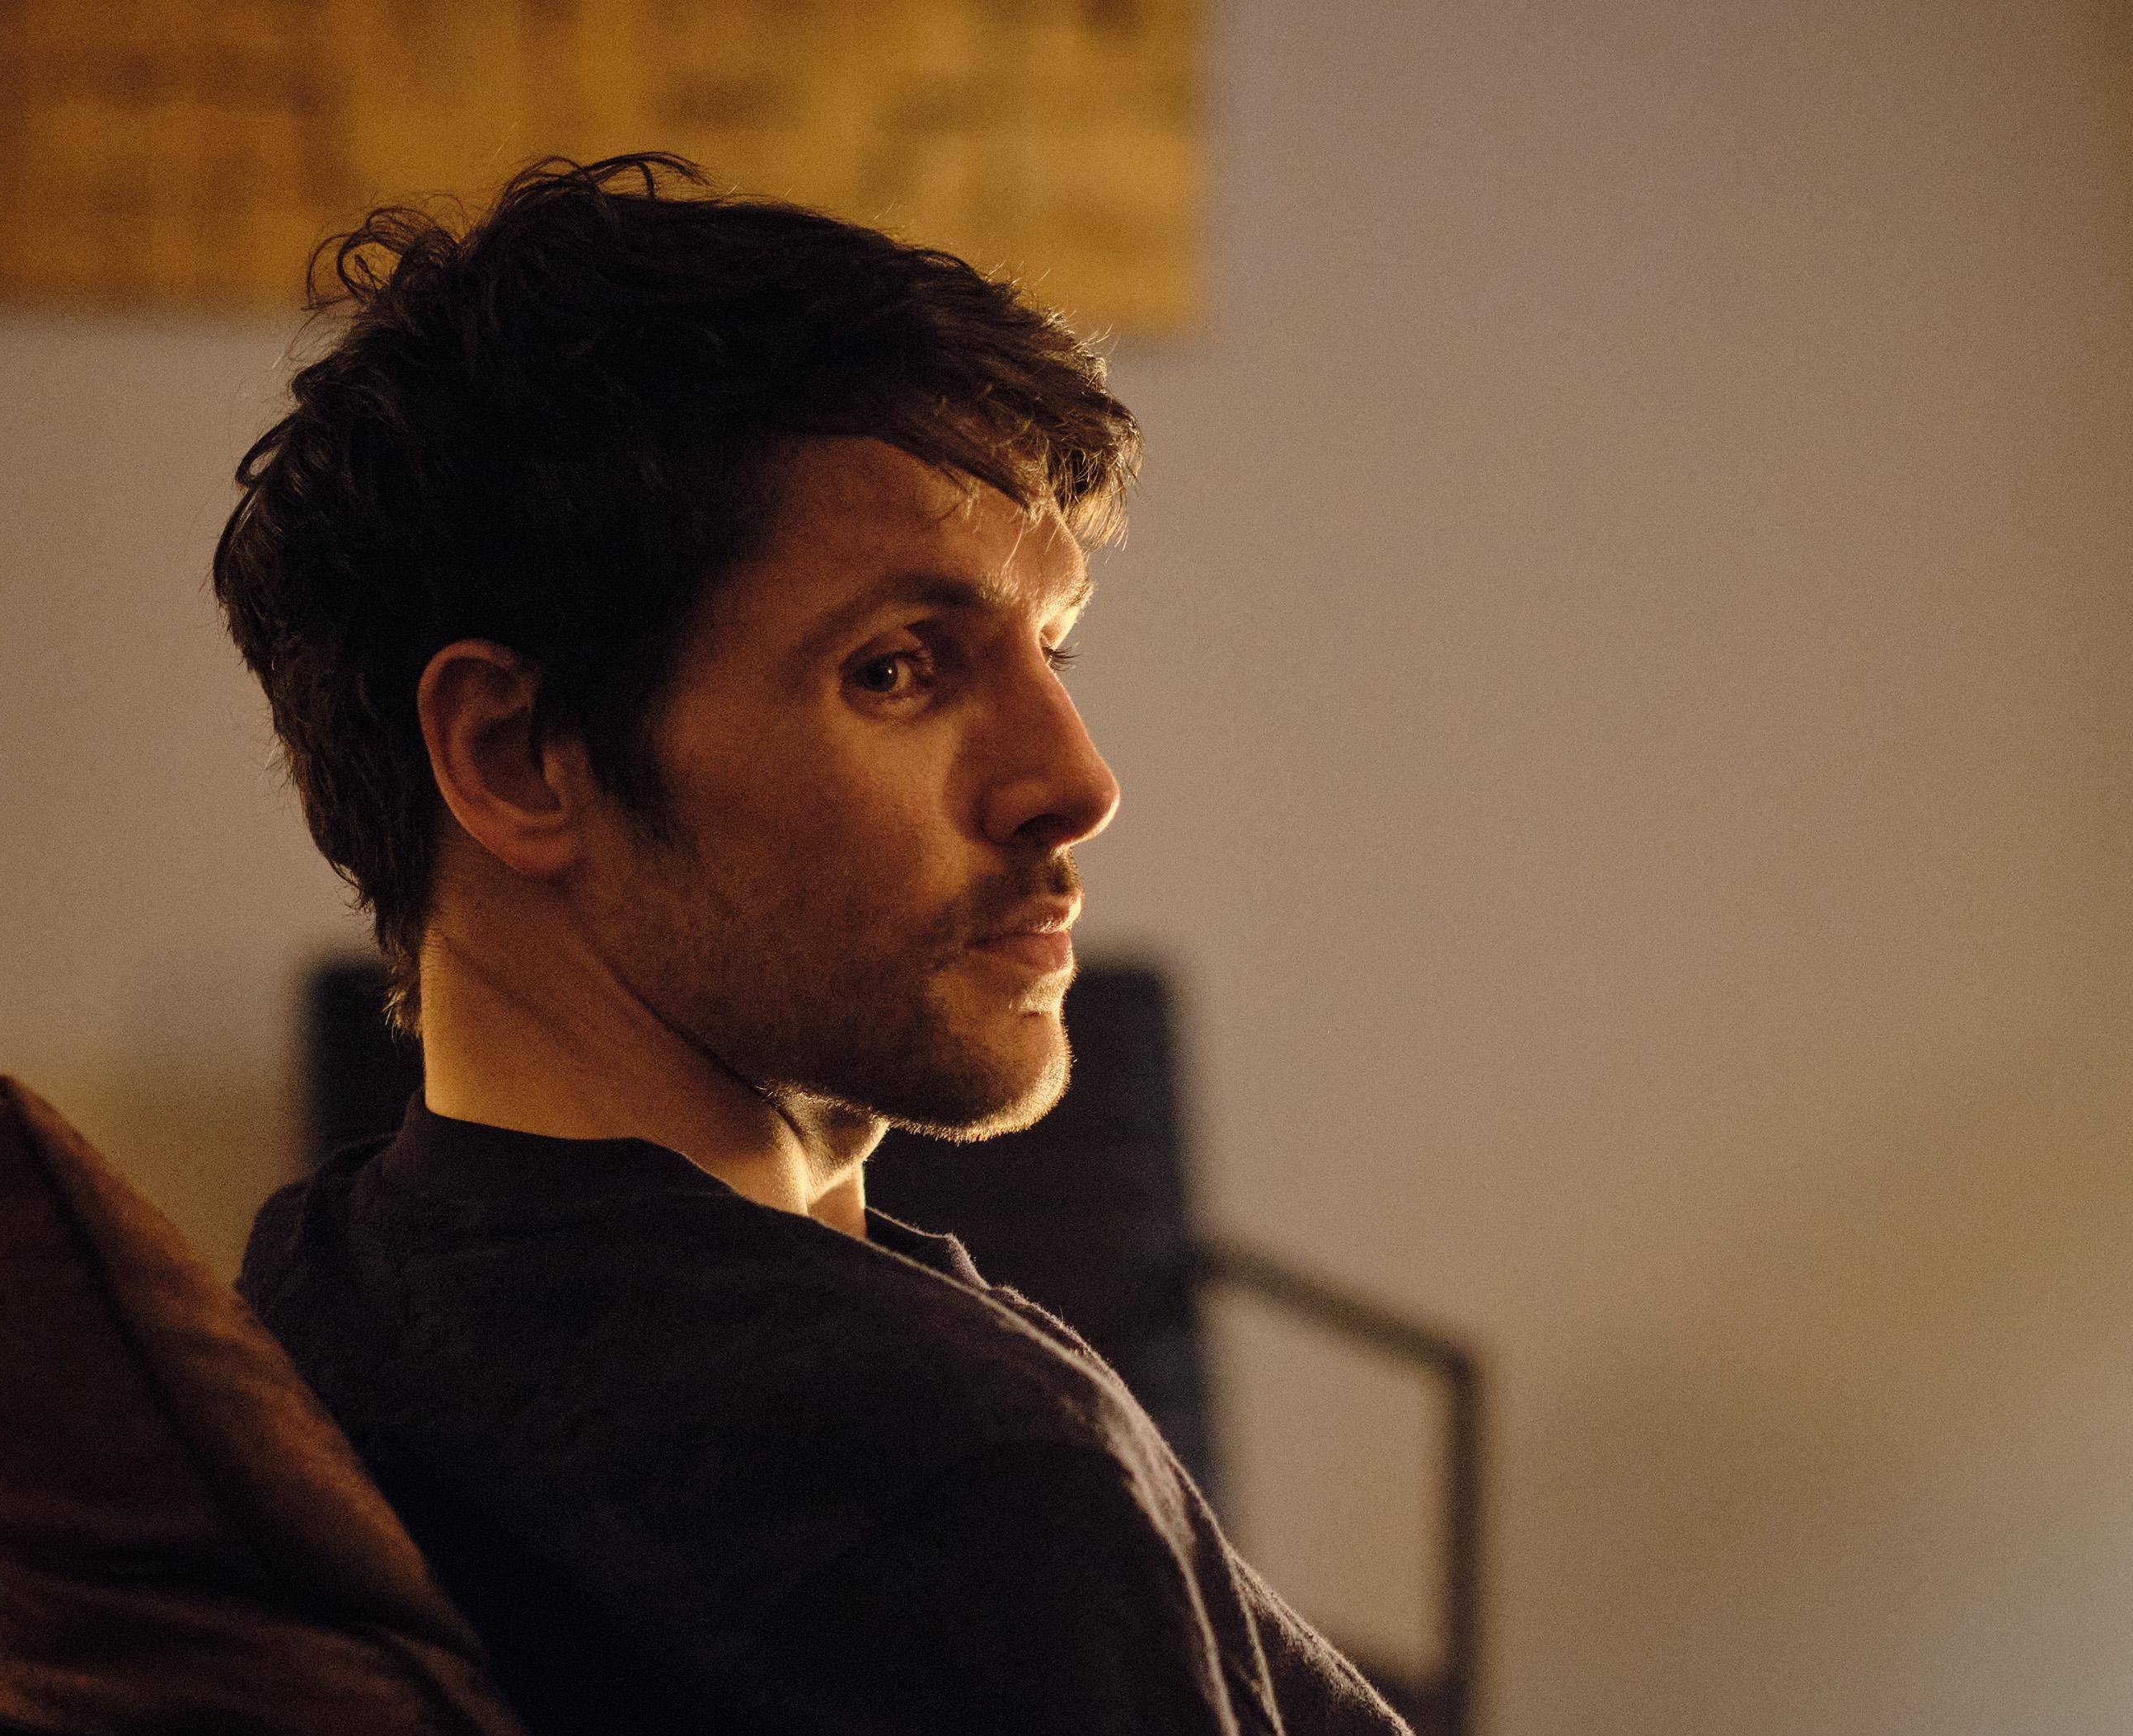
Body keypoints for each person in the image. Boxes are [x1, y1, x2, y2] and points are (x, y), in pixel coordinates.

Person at [213, 154, 1409, 1735]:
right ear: (516, 757)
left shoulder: (314, 1296)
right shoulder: (948, 1484)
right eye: (899, 668)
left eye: (1050, 653)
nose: (1077, 783)